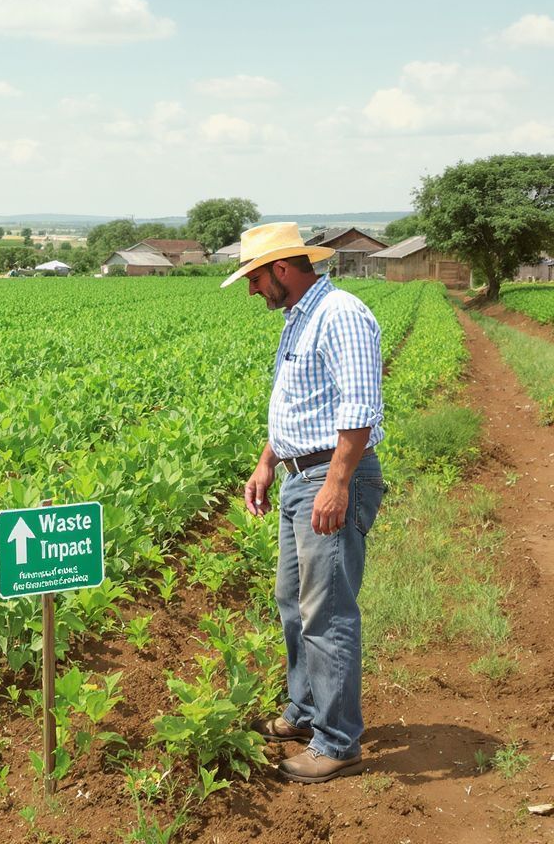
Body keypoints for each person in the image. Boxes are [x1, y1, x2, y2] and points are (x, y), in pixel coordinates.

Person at [221, 222, 385, 784]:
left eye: (255, 278)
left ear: (283, 270)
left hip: (329, 477)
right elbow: (298, 402)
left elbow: (359, 407)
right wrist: (268, 460)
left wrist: (336, 483)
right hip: (299, 475)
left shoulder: (340, 314)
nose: (252, 290)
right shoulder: (300, 317)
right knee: (292, 602)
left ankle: (337, 742)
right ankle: (307, 711)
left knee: (328, 611)